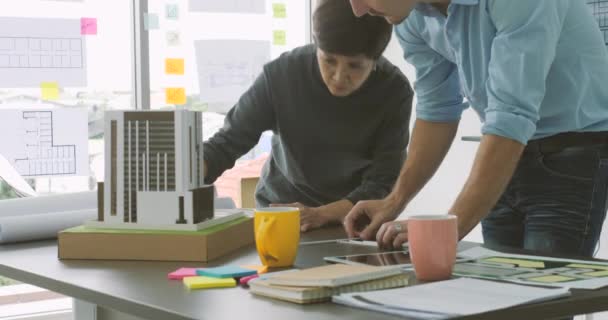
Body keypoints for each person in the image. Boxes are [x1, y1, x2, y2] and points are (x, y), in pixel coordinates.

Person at [345, 0, 608, 257]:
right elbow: (437, 109)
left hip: (571, 153)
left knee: (545, 294)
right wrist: (393, 202)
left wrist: (445, 227)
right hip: (502, 153)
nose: (357, 10)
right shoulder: (413, 14)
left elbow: (510, 114)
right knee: (496, 291)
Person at [203, 0, 413, 232]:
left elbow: (383, 182)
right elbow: (226, 144)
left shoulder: (394, 91)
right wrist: (182, 176)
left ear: (375, 61)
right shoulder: (281, 75)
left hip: (352, 221)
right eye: (329, 61)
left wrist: (321, 214)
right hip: (281, 212)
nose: (338, 76)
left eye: (354, 66)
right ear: (316, 46)